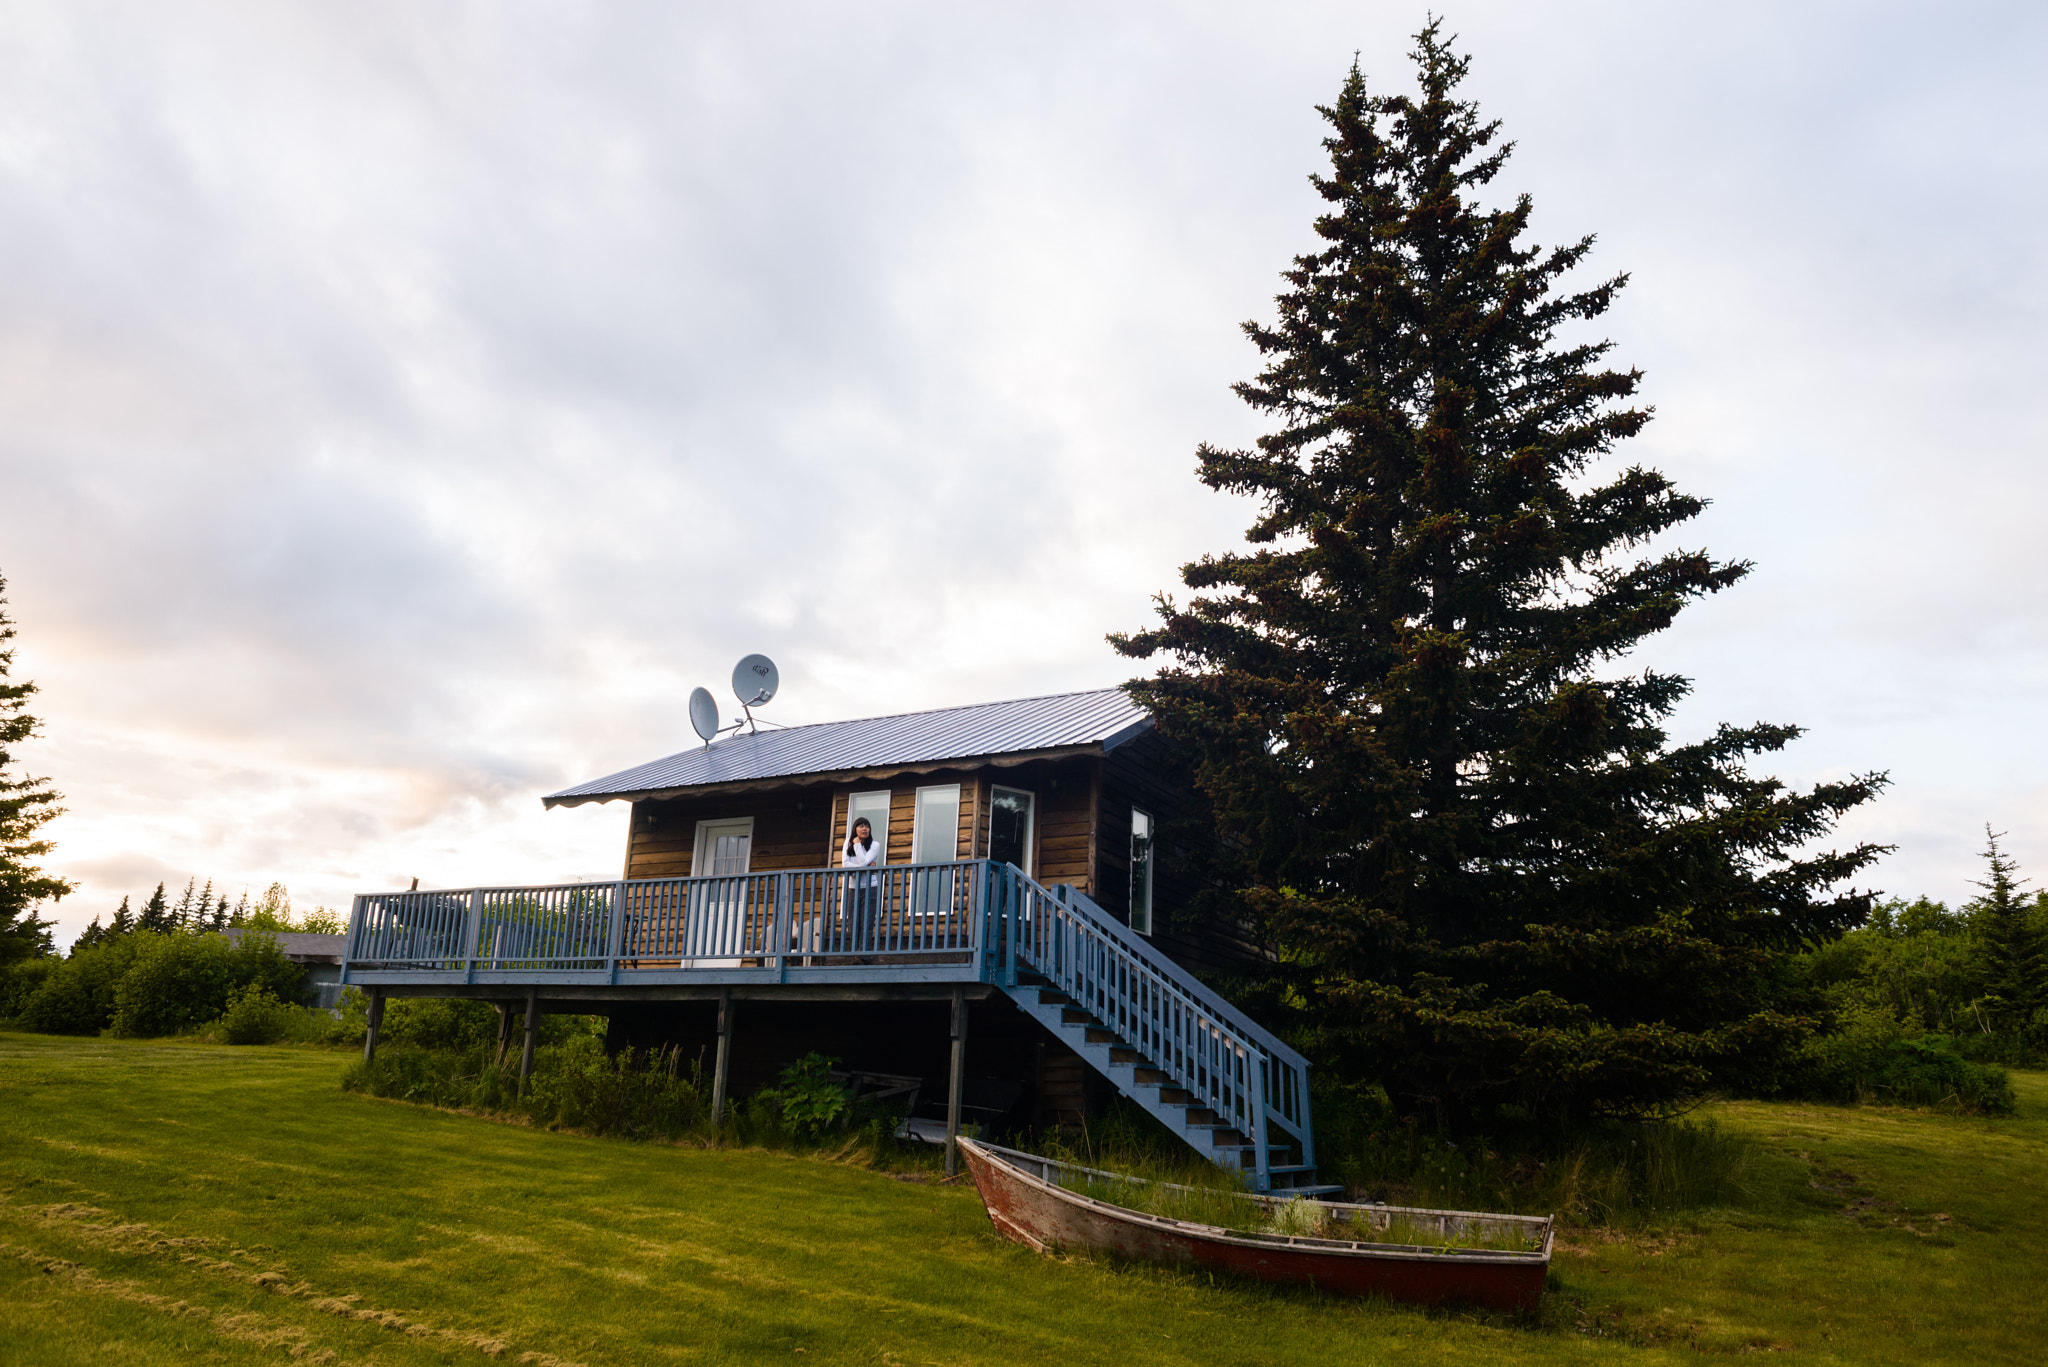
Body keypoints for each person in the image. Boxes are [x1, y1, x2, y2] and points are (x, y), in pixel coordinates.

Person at [843, 816, 882, 934]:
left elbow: (863, 863)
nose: (865, 829)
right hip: (853, 888)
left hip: (870, 887)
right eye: (861, 826)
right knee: (853, 923)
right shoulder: (847, 842)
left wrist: (857, 845)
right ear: (855, 829)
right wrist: (863, 868)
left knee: (867, 923)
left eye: (867, 826)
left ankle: (864, 952)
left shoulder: (875, 845)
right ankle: (855, 952)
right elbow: (845, 864)